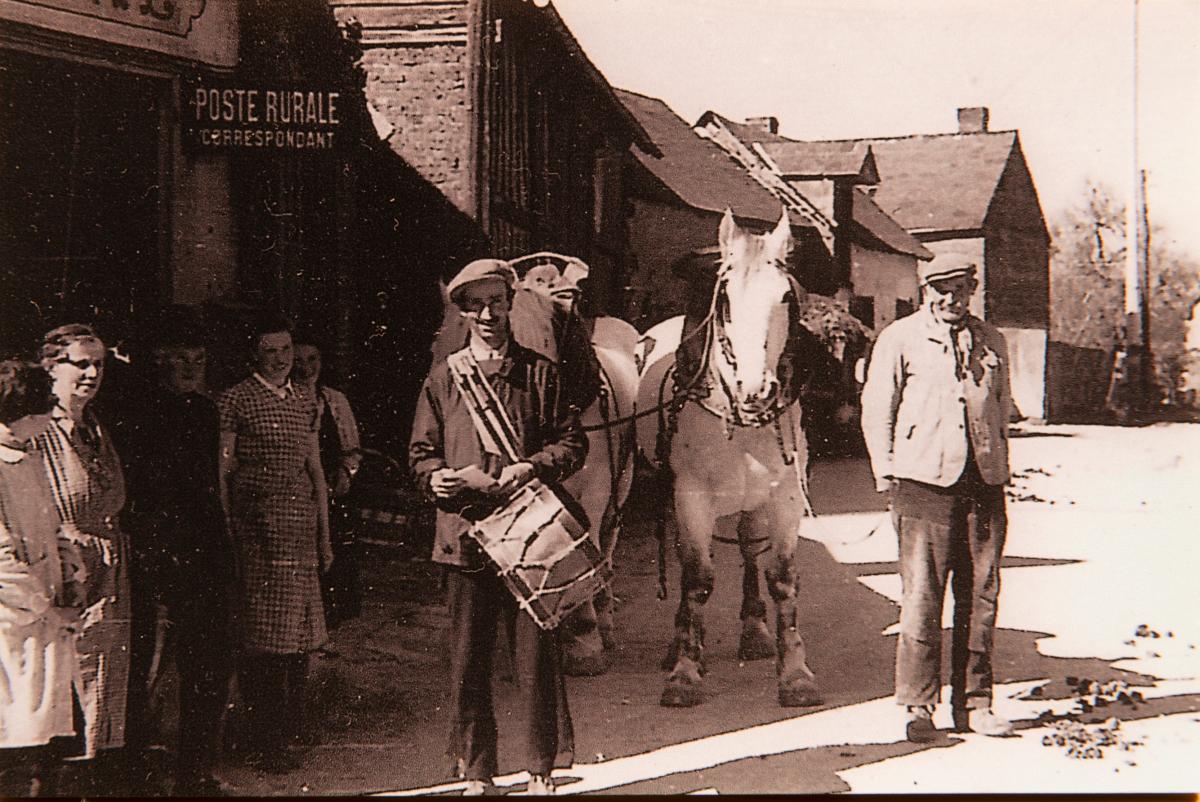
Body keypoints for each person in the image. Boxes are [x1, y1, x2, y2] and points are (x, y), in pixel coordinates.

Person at [409, 259, 587, 796]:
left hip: (528, 536)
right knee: (469, 662)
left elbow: (572, 444)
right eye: (475, 305)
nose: (487, 314)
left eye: (496, 302)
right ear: (462, 313)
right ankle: (478, 772)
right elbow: (420, 453)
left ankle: (540, 768)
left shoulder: (539, 373)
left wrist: (531, 466)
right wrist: (434, 479)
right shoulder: (443, 379)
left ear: (511, 304)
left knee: (535, 658)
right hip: (464, 537)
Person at [860, 259, 1016, 742]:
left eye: (961, 288)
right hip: (922, 483)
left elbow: (1002, 410)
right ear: (927, 290)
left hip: (983, 484)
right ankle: (919, 706)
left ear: (972, 288)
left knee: (982, 597)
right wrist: (885, 470)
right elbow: (876, 408)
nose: (953, 298)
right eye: (942, 289)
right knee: (922, 599)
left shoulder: (993, 340)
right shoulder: (899, 339)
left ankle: (975, 703)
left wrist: (998, 464)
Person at [14, 324, 132, 786]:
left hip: (110, 575)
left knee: (103, 696)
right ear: (50, 368)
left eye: (98, 363)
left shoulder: (96, 425)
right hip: (64, 580)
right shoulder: (36, 431)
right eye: (80, 363)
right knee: (63, 699)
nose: (91, 373)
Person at [119, 318, 233, 794]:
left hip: (206, 554)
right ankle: (137, 774)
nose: (191, 369)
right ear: (159, 361)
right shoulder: (137, 415)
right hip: (158, 557)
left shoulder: (206, 412)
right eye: (180, 360)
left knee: (208, 669)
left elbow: (211, 489)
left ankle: (194, 775)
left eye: (199, 361)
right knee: (148, 673)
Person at [218, 313, 331, 774]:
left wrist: (325, 538)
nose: (282, 359)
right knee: (262, 639)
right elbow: (223, 473)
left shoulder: (304, 399)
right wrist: (229, 533)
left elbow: (316, 472)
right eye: (271, 351)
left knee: (297, 636)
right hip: (257, 530)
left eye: (286, 350)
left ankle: (285, 729)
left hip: (299, 530)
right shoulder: (235, 400)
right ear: (254, 355)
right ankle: (261, 737)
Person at [0, 357, 85, 797]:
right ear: (23, 415)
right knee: (16, 739)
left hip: (47, 623)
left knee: (46, 745)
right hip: (13, 627)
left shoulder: (28, 459)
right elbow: (2, 562)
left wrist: (70, 569)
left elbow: (52, 527)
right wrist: (48, 607)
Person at [292, 333, 362, 628]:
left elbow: (352, 450)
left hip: (331, 494)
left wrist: (346, 473)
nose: (306, 367)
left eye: (312, 359)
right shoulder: (283, 400)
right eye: (298, 361)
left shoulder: (334, 400)